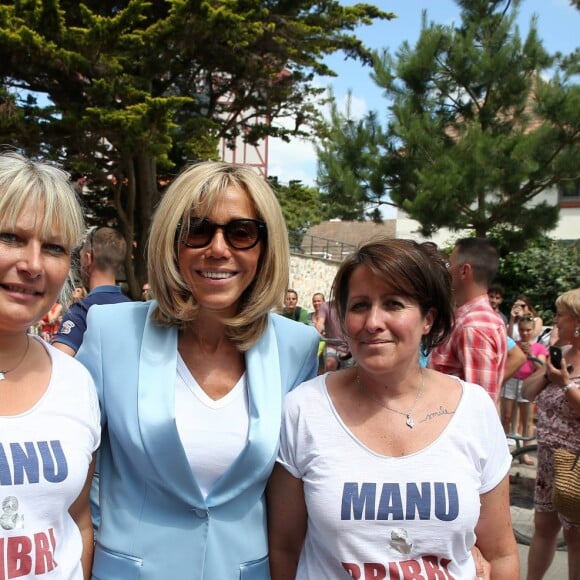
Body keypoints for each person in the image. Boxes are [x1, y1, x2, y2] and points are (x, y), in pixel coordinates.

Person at [76, 161, 320, 579]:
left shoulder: (295, 348)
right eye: (197, 230)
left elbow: (294, 497)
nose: (219, 249)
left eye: (241, 232)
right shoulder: (110, 333)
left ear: (265, 247)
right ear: (172, 243)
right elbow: (74, 477)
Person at [267, 238, 519, 579]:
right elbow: (284, 548)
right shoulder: (303, 409)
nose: (373, 321)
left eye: (393, 303)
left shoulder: (474, 409)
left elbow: (501, 554)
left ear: (428, 319)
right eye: (359, 306)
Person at [0, 151, 100, 578]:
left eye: (54, 247)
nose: (33, 264)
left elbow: (78, 521)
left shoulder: (77, 384)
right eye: (10, 237)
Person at [522, 288, 580, 580]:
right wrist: (548, 373)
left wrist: (567, 384)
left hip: (575, 463)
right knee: (543, 530)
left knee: (575, 540)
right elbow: (527, 391)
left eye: (561, 315)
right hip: (548, 460)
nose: (556, 322)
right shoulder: (561, 355)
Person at [429, 237, 507, 402]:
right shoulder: (469, 319)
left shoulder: (474, 326)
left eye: (449, 265)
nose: (446, 271)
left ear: (464, 271)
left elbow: (480, 406)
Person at [52, 226, 131, 356]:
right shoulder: (134, 309)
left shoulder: (82, 312)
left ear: (88, 259)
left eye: (81, 256)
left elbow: (56, 365)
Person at [501, 316, 548, 436]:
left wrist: (530, 354)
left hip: (527, 383)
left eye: (528, 330)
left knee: (526, 419)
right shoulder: (513, 345)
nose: (524, 333)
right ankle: (505, 444)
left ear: (533, 331)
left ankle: (525, 451)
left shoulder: (539, 347)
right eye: (521, 330)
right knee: (506, 416)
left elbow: (541, 368)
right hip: (511, 382)